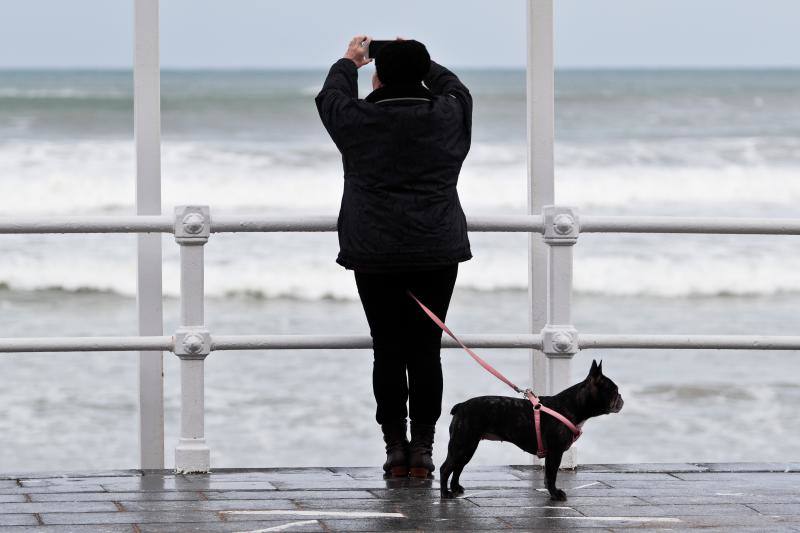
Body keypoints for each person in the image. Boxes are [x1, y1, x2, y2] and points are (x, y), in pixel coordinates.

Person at [315, 36, 472, 478]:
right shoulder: (448, 114)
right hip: (436, 247)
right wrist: (422, 61)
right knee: (425, 349)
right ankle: (423, 448)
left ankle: (394, 449)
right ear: (423, 75)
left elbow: (330, 97)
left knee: (387, 349)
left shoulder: (359, 119)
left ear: (377, 77)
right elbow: (456, 87)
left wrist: (350, 61)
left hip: (375, 250)